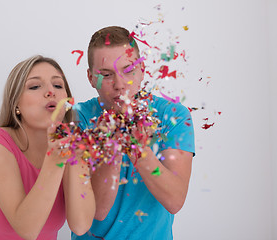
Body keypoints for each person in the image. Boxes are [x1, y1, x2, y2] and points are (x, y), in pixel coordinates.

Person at [72, 26, 195, 240]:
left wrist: (138, 148)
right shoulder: (78, 118)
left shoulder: (172, 116)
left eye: (128, 71)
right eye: (106, 75)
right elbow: (97, 212)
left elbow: (175, 200)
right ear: (91, 78)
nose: (119, 85)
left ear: (142, 70)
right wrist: (116, 140)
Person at [0, 55, 95, 240]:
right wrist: (55, 160)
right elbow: (27, 229)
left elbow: (80, 225)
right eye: (35, 86)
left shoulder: (72, 146)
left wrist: (74, 160)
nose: (50, 91)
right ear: (16, 103)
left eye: (58, 85)